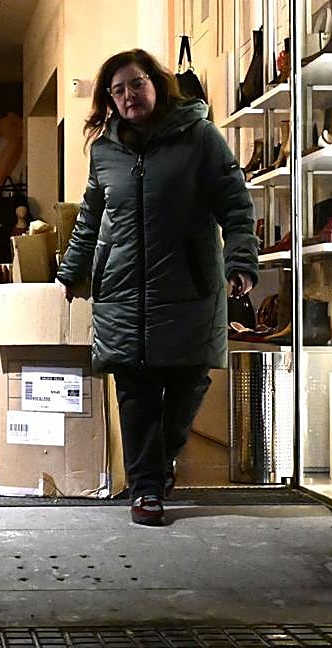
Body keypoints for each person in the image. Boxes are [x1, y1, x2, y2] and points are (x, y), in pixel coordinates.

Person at [55, 48, 258, 526]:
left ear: (157, 84)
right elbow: (90, 216)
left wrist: (241, 260)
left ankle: (161, 459)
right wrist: (72, 270)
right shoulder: (105, 150)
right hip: (122, 291)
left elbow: (235, 202)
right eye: (118, 89)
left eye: (136, 84)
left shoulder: (200, 137)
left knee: (189, 383)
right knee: (136, 391)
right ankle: (146, 487)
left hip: (187, 286)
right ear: (109, 98)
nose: (128, 96)